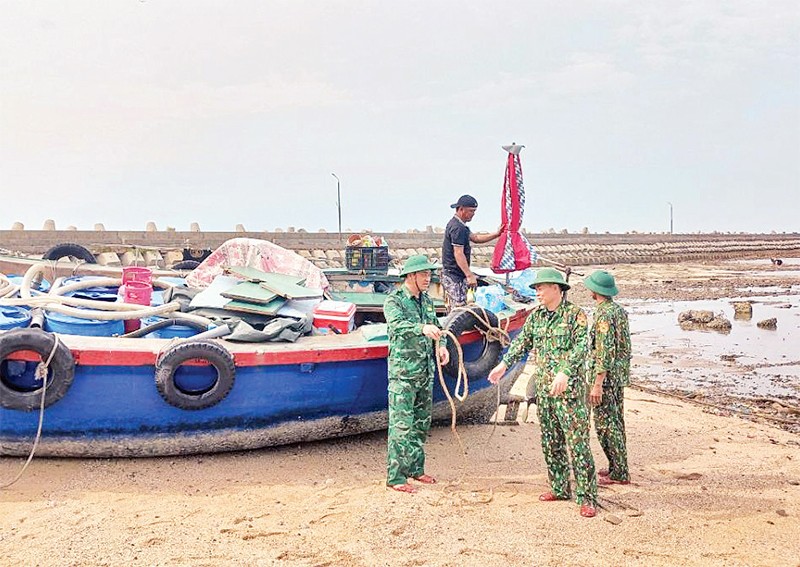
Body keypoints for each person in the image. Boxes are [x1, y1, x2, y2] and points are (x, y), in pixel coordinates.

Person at [487, 267, 597, 518]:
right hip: (546, 392)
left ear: (556, 289)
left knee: (577, 444)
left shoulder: (575, 315)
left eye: (541, 288)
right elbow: (522, 342)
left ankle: (587, 497)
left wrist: (565, 372)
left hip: (568, 392)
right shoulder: (536, 317)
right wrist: (503, 365)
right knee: (551, 442)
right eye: (535, 288)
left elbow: (581, 348)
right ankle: (559, 488)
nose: (536, 292)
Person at [383, 254, 450, 493]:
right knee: (401, 426)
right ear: (410, 276)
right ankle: (396, 477)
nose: (428, 278)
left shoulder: (427, 300)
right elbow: (396, 325)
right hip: (403, 375)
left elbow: (437, 326)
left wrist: (442, 346)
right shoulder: (395, 300)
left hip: (425, 372)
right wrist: (421, 328)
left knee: (421, 423)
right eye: (424, 274)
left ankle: (416, 469)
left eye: (429, 274)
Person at [583, 270, 632, 486]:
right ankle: (618, 467)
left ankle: (619, 473)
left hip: (607, 378)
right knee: (616, 422)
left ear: (596, 291)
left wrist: (597, 383)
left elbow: (604, 350)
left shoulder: (603, 314)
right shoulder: (617, 310)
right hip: (618, 375)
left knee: (605, 425)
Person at [441, 194, 502, 311]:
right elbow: (458, 253)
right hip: (453, 275)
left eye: (474, 211)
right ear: (461, 209)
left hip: (458, 274)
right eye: (471, 211)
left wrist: (496, 234)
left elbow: (476, 238)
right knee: (459, 308)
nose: (473, 214)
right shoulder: (457, 228)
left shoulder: (462, 227)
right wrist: (469, 275)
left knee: (463, 305)